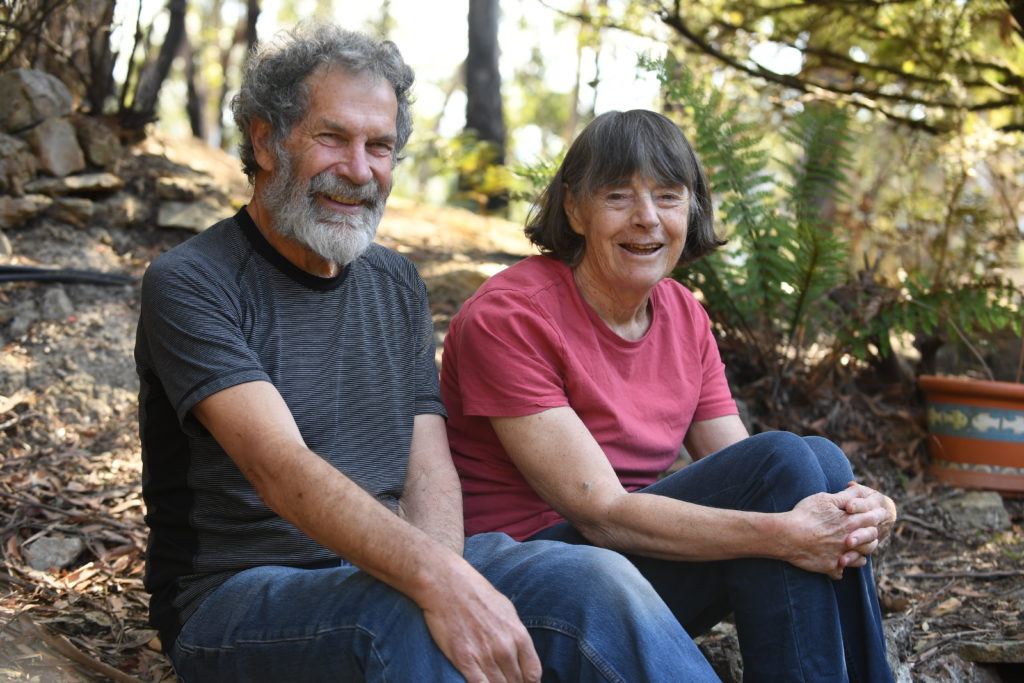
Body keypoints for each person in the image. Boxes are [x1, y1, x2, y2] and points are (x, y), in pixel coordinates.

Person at [135, 24, 721, 683]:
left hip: (385, 570)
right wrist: (437, 581)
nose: (359, 169)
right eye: (333, 137)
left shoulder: (395, 283)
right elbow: (280, 465)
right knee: (409, 617)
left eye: (379, 146)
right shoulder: (193, 281)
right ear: (266, 139)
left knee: (593, 576)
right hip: (234, 602)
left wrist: (449, 573)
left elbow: (430, 470)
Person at [441, 109, 899, 682]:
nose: (647, 219)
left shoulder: (684, 315)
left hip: (629, 566)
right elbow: (602, 515)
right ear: (574, 209)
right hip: (527, 582)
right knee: (785, 471)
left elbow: (747, 467)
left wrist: (869, 510)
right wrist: (788, 535)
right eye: (617, 197)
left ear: (691, 208)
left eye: (668, 196)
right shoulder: (510, 317)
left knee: (821, 463)